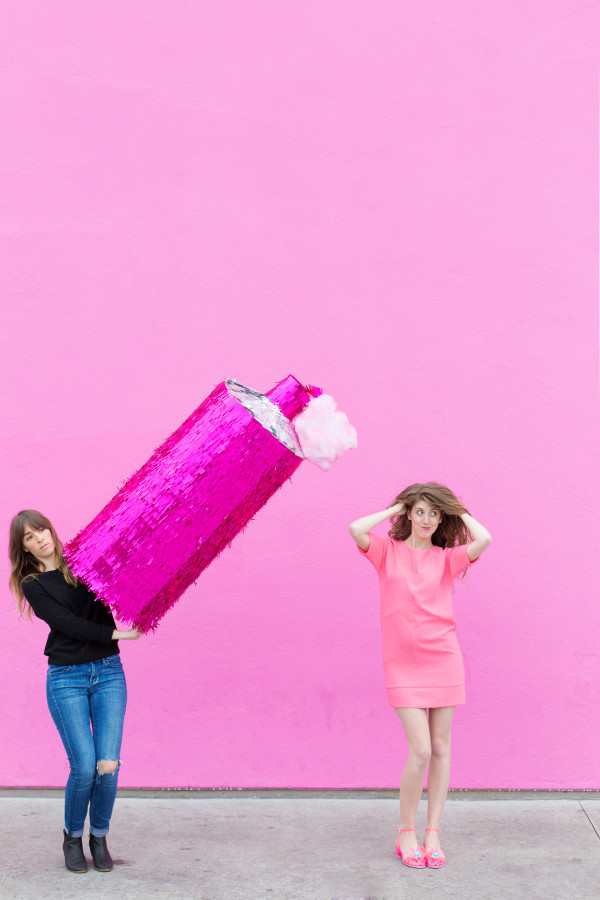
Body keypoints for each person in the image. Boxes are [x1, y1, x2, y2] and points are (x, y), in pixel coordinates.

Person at [349, 483, 491, 869]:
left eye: (434, 513)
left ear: (441, 518)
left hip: (443, 658)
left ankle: (433, 833)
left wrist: (456, 510)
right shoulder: (385, 553)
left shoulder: (447, 559)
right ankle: (406, 831)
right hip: (401, 663)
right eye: (420, 511)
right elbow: (356, 529)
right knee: (422, 750)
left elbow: (486, 538)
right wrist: (393, 505)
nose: (427, 519)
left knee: (441, 748)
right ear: (409, 514)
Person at [8, 510, 142, 874]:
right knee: (84, 767)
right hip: (66, 677)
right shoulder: (33, 584)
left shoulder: (86, 562)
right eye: (30, 538)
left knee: (108, 766)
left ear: (51, 529)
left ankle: (98, 837)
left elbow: (126, 571)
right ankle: (72, 837)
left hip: (109, 673)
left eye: (41, 530)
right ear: (24, 549)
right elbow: (67, 624)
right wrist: (119, 634)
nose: (40, 539)